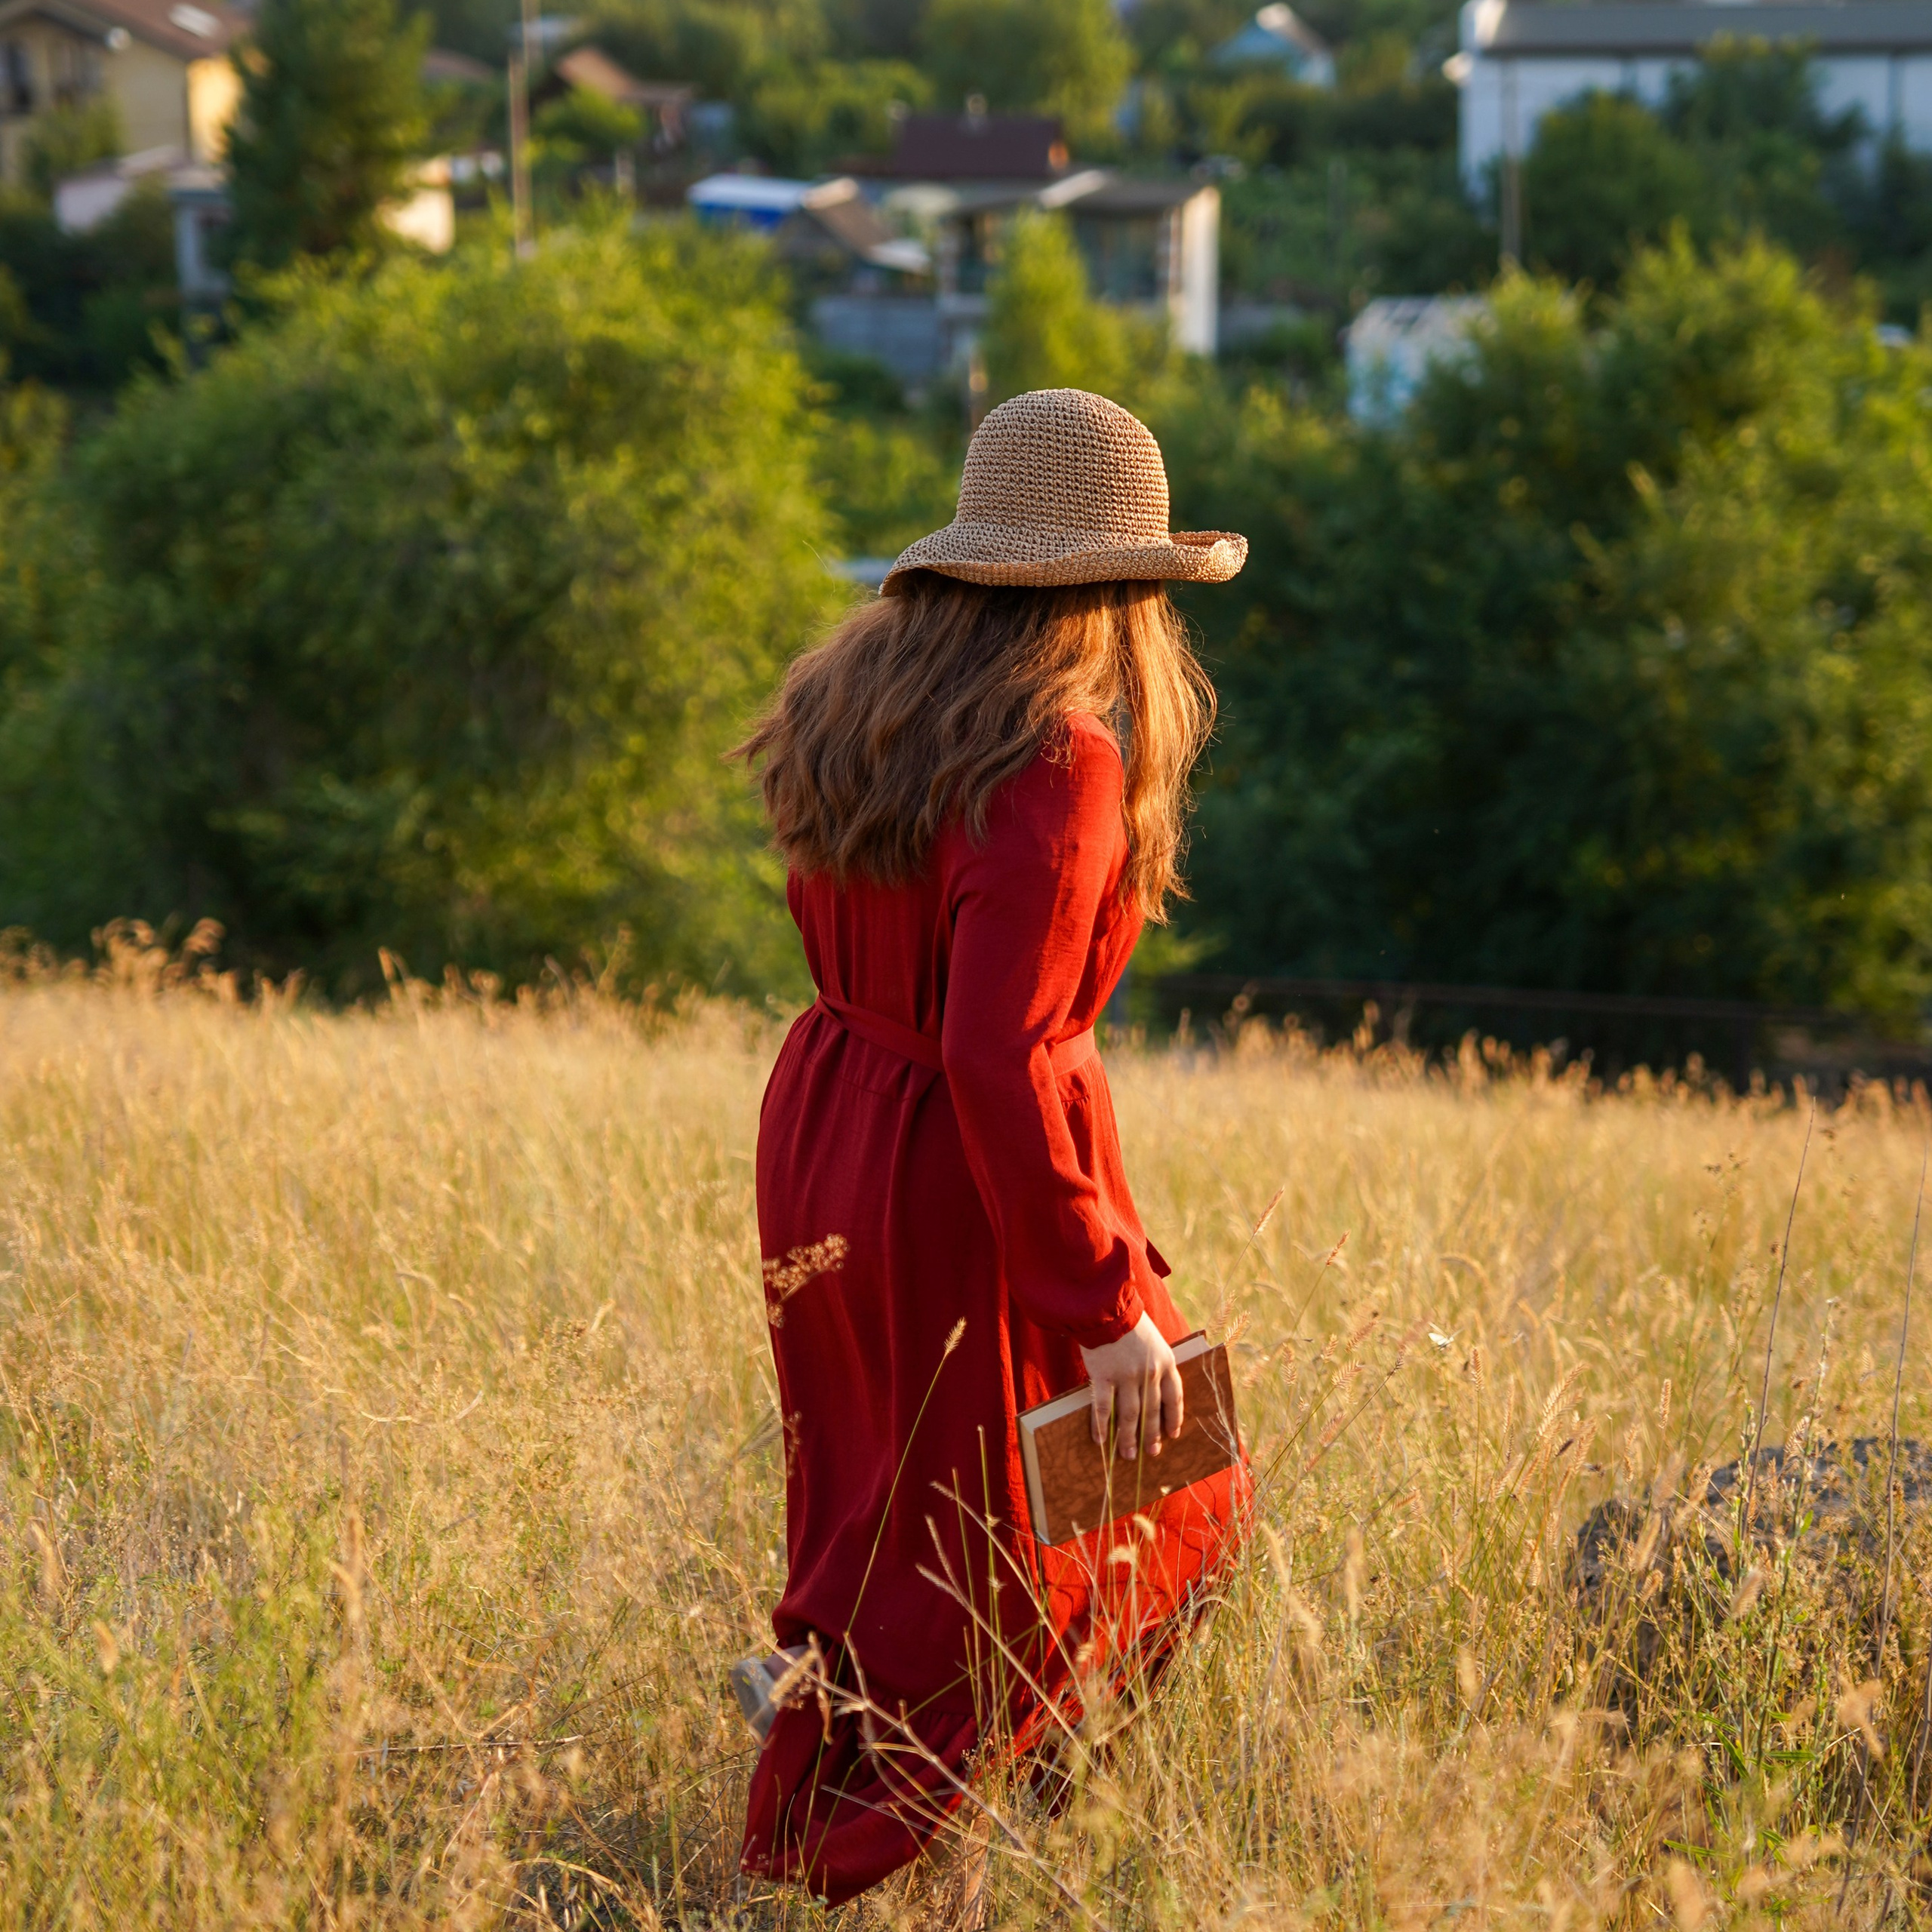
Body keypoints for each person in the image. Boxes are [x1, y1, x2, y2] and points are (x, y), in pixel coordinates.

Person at [731, 389, 1252, 1914]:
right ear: (1120, 585)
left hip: (830, 1118)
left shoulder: (866, 693)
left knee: (872, 1508)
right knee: (1118, 1504)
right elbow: (1001, 1049)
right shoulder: (1058, 753)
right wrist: (1103, 1308)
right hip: (962, 1163)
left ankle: (822, 1801)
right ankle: (873, 1851)